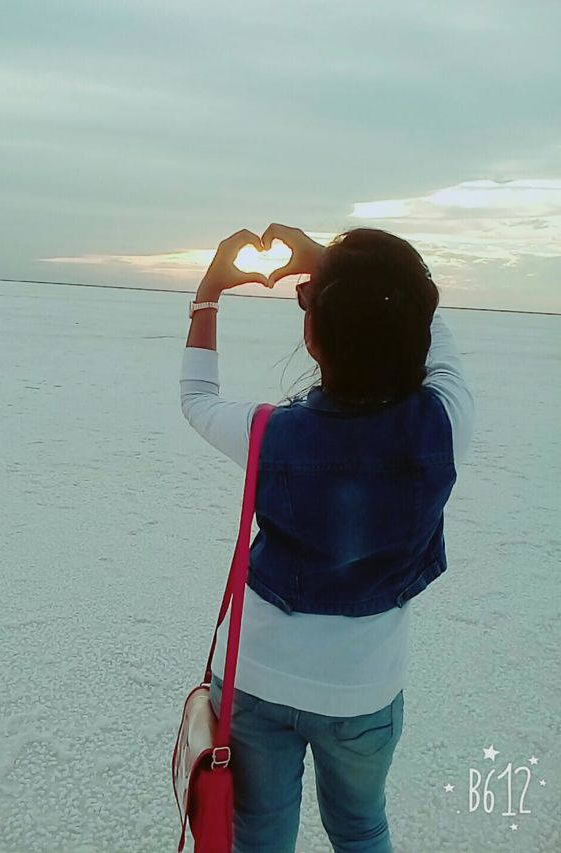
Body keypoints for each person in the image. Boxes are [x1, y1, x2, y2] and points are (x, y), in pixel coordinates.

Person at [180, 224, 475, 853]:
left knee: (259, 837)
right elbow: (425, 322)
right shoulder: (445, 423)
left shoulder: (268, 434)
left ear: (314, 338)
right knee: (361, 827)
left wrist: (209, 291)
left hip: (258, 675)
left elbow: (197, 398)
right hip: (363, 688)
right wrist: (347, 271)